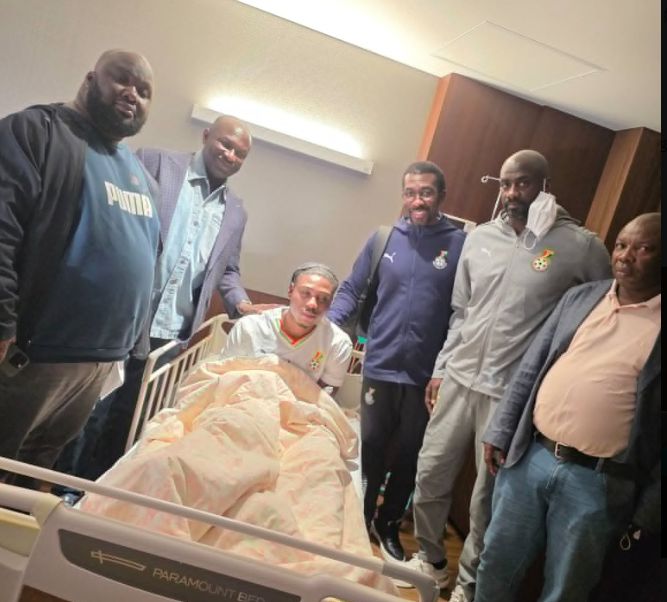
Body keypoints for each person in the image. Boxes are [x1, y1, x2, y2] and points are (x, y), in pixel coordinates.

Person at [407, 149, 612, 599]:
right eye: (505, 184)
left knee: (486, 502)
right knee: (429, 475)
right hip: (459, 378)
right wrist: (441, 368)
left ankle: (467, 587)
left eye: (523, 183)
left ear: (545, 185)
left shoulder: (579, 245)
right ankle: (432, 561)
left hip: (509, 397)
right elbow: (462, 312)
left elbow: (602, 312)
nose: (512, 193)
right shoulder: (480, 237)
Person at [55, 114, 276, 483]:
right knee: (91, 407)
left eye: (240, 153)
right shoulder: (155, 163)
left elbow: (229, 270)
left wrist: (240, 303)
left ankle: (99, 490)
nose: (230, 155)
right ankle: (61, 486)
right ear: (206, 136)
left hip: (171, 333)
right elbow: (113, 220)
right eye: (225, 144)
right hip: (123, 315)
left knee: (131, 417)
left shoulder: (235, 212)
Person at [476, 213, 661, 602]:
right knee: (496, 562)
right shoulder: (582, 298)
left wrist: (648, 513)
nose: (625, 256)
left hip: (598, 481)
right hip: (531, 457)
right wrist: (501, 430)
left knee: (566, 588)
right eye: (621, 244)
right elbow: (531, 366)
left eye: (643, 248)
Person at [0, 50, 158, 482]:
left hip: (97, 364)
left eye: (144, 91)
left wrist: (135, 344)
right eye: (122, 79)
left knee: (36, 478)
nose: (132, 94)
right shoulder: (37, 132)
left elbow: (148, 258)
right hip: (31, 355)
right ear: (90, 79)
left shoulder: (140, 174)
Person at [327, 161, 467, 563]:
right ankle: (361, 519)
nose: (417, 201)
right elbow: (351, 288)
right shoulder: (384, 238)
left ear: (442, 195)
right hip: (380, 365)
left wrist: (444, 368)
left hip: (426, 377)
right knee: (371, 447)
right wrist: (328, 328)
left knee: (409, 454)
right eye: (410, 193)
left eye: (426, 192)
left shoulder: (460, 245)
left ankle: (388, 524)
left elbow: (464, 311)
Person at [222, 263, 352, 394]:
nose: (312, 304)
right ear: (290, 291)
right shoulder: (250, 327)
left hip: (298, 404)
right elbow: (224, 375)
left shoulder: (337, 343)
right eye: (305, 293)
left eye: (323, 299)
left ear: (330, 303)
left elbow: (324, 397)